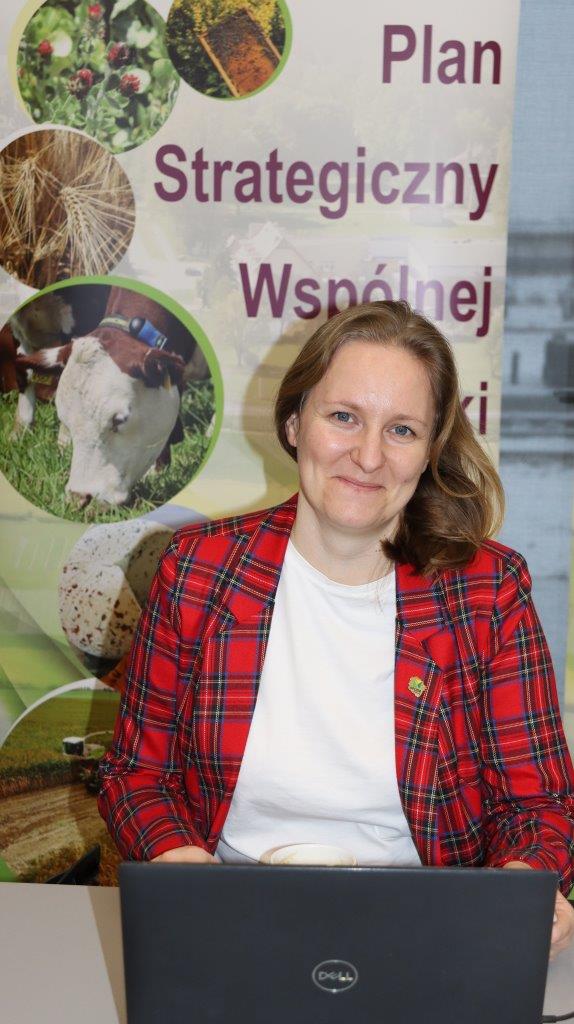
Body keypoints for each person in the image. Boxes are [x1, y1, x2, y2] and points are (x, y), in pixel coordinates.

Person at [98, 300, 574, 958]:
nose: (368, 456)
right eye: (343, 417)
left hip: (432, 932)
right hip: (231, 923)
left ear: (431, 450)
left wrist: (520, 891)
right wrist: (177, 860)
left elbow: (539, 804)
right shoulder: (199, 571)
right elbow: (136, 773)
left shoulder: (488, 591)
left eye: (401, 429)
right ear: (295, 422)